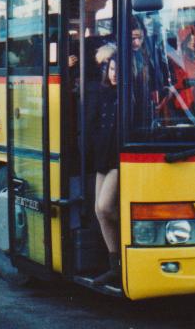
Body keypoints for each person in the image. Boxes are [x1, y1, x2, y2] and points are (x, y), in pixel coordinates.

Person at [87, 46, 120, 286]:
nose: (114, 73)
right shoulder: (101, 93)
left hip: (119, 161)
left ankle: (124, 255)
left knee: (105, 206)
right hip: (102, 159)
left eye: (118, 69)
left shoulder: (128, 94)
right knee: (99, 211)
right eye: (111, 69)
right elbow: (91, 124)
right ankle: (114, 265)